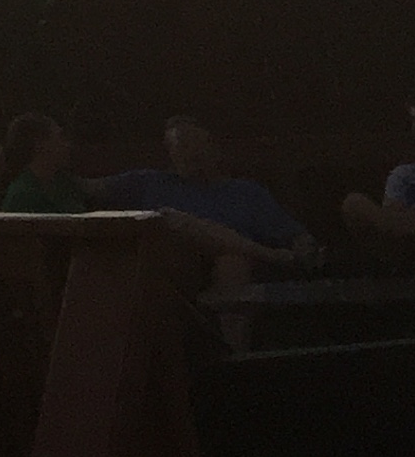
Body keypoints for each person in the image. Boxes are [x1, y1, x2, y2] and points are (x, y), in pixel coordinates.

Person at [97, 115, 322, 312]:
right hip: (166, 270)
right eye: (178, 146)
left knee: (232, 264)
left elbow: (295, 235)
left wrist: (307, 248)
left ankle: (232, 346)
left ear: (213, 146)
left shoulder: (246, 193)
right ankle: (270, 255)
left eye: (193, 144)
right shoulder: (147, 183)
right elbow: (87, 188)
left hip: (228, 272)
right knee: (171, 218)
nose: (187, 152)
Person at [339, 91, 415, 245]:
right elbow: (391, 218)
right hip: (405, 241)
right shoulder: (403, 174)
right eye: (414, 121)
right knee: (354, 203)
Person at [0, 112, 91, 214]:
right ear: (39, 145)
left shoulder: (62, 183)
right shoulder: (23, 196)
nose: (67, 145)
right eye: (60, 138)